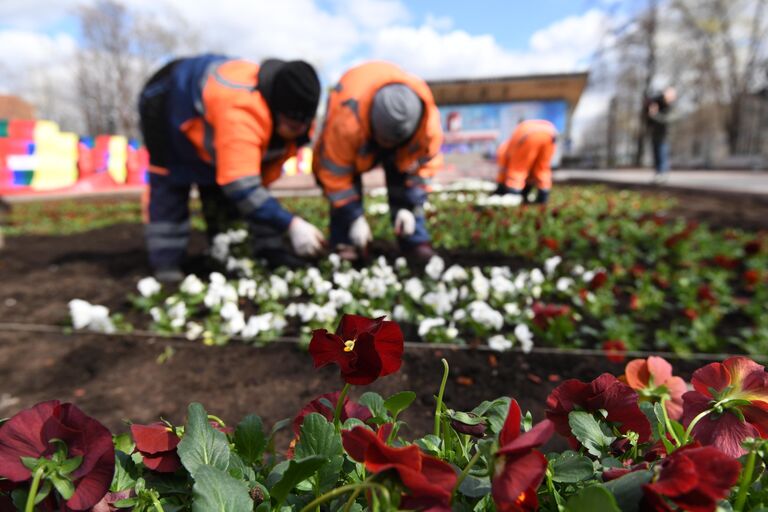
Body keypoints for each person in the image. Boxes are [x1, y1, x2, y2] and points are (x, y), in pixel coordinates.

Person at [138, 54, 325, 282]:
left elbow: (258, 189)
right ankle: (167, 263)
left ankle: (246, 252)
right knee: (170, 186)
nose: (299, 132)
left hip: (207, 118)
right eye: (293, 126)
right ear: (275, 112)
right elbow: (242, 186)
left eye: (303, 126)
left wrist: (272, 247)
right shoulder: (241, 111)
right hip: (166, 100)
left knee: (220, 194)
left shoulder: (297, 112)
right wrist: (291, 224)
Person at [312, 61, 443, 263]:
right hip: (353, 127)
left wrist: (410, 206)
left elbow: (424, 168)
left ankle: (415, 242)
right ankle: (346, 245)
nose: (388, 148)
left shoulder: (427, 126)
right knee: (347, 189)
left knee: (403, 175)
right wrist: (354, 217)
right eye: (385, 142)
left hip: (398, 141)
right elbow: (336, 177)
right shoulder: (346, 124)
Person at [494, 119, 558, 204]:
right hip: (550, 133)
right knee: (542, 168)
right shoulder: (526, 128)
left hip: (527, 134)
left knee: (518, 169)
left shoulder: (504, 148)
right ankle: (542, 198)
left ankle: (514, 196)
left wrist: (500, 187)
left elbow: (503, 169)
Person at [646, 86, 677, 183]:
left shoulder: (672, 107)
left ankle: (663, 173)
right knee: (656, 154)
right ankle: (658, 173)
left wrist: (654, 114)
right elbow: (649, 118)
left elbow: (666, 120)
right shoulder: (657, 102)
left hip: (665, 135)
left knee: (662, 153)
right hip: (655, 133)